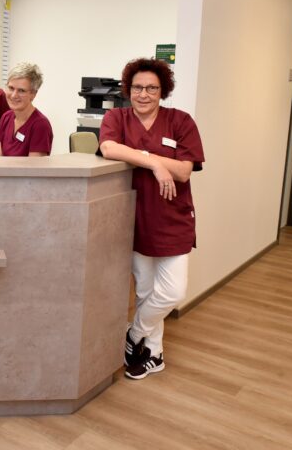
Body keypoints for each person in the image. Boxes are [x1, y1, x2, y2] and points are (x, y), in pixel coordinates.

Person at [99, 57, 205, 380]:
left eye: (151, 88)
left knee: (173, 292)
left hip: (173, 218)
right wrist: (156, 163)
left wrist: (143, 157)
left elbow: (184, 171)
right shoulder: (117, 117)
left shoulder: (180, 121)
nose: (143, 94)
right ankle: (153, 354)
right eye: (137, 88)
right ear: (128, 90)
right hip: (135, 219)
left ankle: (132, 334)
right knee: (145, 291)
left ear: (163, 91)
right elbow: (108, 148)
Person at [0, 63, 53, 156]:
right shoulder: (6, 117)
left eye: (21, 90)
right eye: (11, 88)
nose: (14, 95)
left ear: (33, 94)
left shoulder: (40, 125)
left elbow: (34, 165)